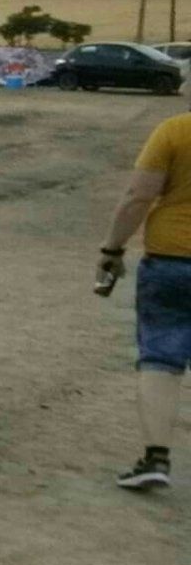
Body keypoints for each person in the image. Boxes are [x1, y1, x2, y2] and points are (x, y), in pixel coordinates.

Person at [97, 76, 191, 489]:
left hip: (172, 262)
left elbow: (138, 196)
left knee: (161, 360)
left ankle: (156, 458)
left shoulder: (174, 131)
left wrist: (112, 250)